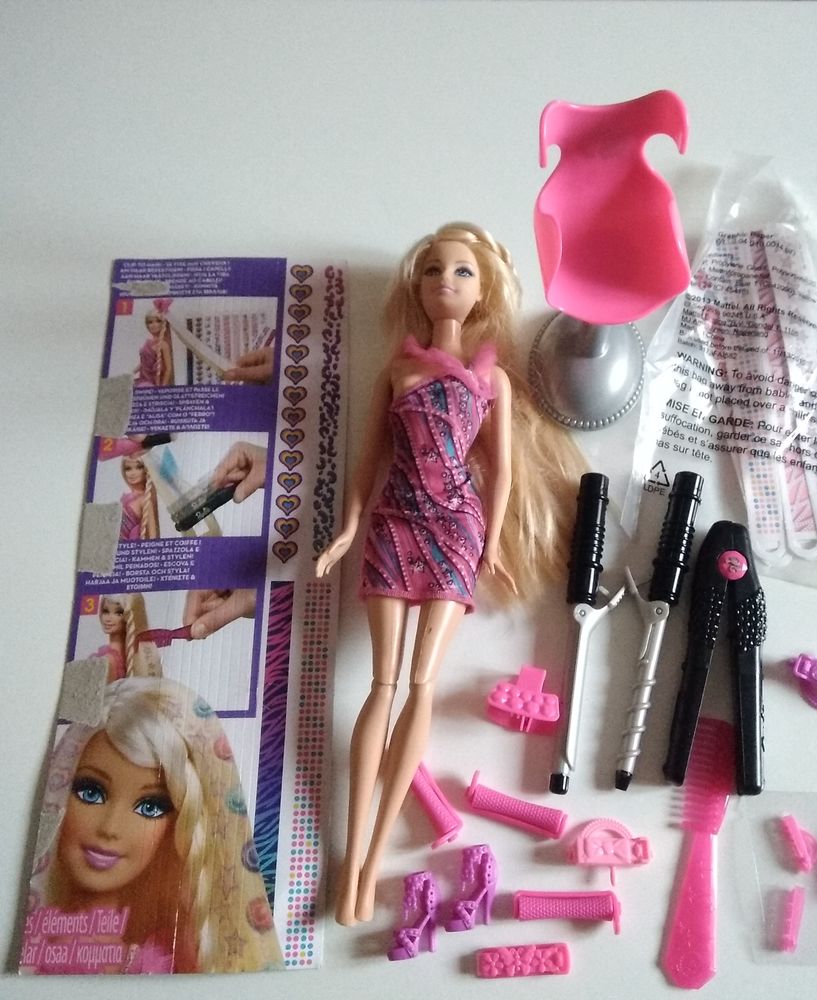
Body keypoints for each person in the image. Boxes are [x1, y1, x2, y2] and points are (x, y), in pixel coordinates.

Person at [315, 222, 585, 925]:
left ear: (483, 290)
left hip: (455, 529)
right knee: (381, 684)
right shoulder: (397, 372)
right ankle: (351, 863)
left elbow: (502, 473)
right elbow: (368, 462)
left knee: (421, 685)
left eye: (462, 271)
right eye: (434, 270)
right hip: (394, 523)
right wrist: (346, 529)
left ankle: (373, 860)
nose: (445, 282)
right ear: (418, 286)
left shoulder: (492, 379)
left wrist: (490, 543)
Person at [22, 676, 282, 974]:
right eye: (91, 792)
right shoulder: (28, 939)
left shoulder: (171, 956)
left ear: (176, 826)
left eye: (150, 807)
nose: (110, 828)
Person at [92, 594, 161, 683]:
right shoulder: (145, 652)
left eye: (119, 613)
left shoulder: (109, 660)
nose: (108, 619)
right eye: (105, 611)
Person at [134, 300, 175, 388]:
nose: (154, 325)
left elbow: (168, 369)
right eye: (150, 322)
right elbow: (143, 364)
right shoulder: (147, 342)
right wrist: (132, 372)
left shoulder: (164, 345)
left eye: (158, 321)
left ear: (162, 324)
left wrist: (162, 388)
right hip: (143, 379)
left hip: (154, 381)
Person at [119, 455, 160, 540]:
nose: (133, 473)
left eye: (139, 467)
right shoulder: (124, 498)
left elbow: (153, 537)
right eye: (128, 469)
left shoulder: (145, 500)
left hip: (135, 544)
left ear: (146, 471)